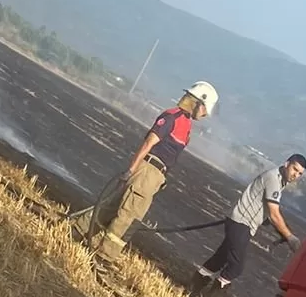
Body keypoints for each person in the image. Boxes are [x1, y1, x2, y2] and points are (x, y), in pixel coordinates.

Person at [86, 82, 219, 263]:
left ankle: (79, 230)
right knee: (129, 217)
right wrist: (131, 169)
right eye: (204, 110)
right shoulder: (172, 117)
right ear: (197, 103)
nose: (204, 115)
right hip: (147, 171)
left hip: (155, 175)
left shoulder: (186, 125)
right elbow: (148, 143)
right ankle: (104, 257)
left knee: (113, 207)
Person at [190, 154, 306, 297]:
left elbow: (267, 211)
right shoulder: (273, 178)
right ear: (286, 164)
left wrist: (271, 224)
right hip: (242, 223)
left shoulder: (280, 181)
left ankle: (194, 288)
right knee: (236, 267)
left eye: (300, 174)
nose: (295, 175)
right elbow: (274, 213)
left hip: (240, 221)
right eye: (295, 169)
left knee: (220, 258)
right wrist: (290, 237)